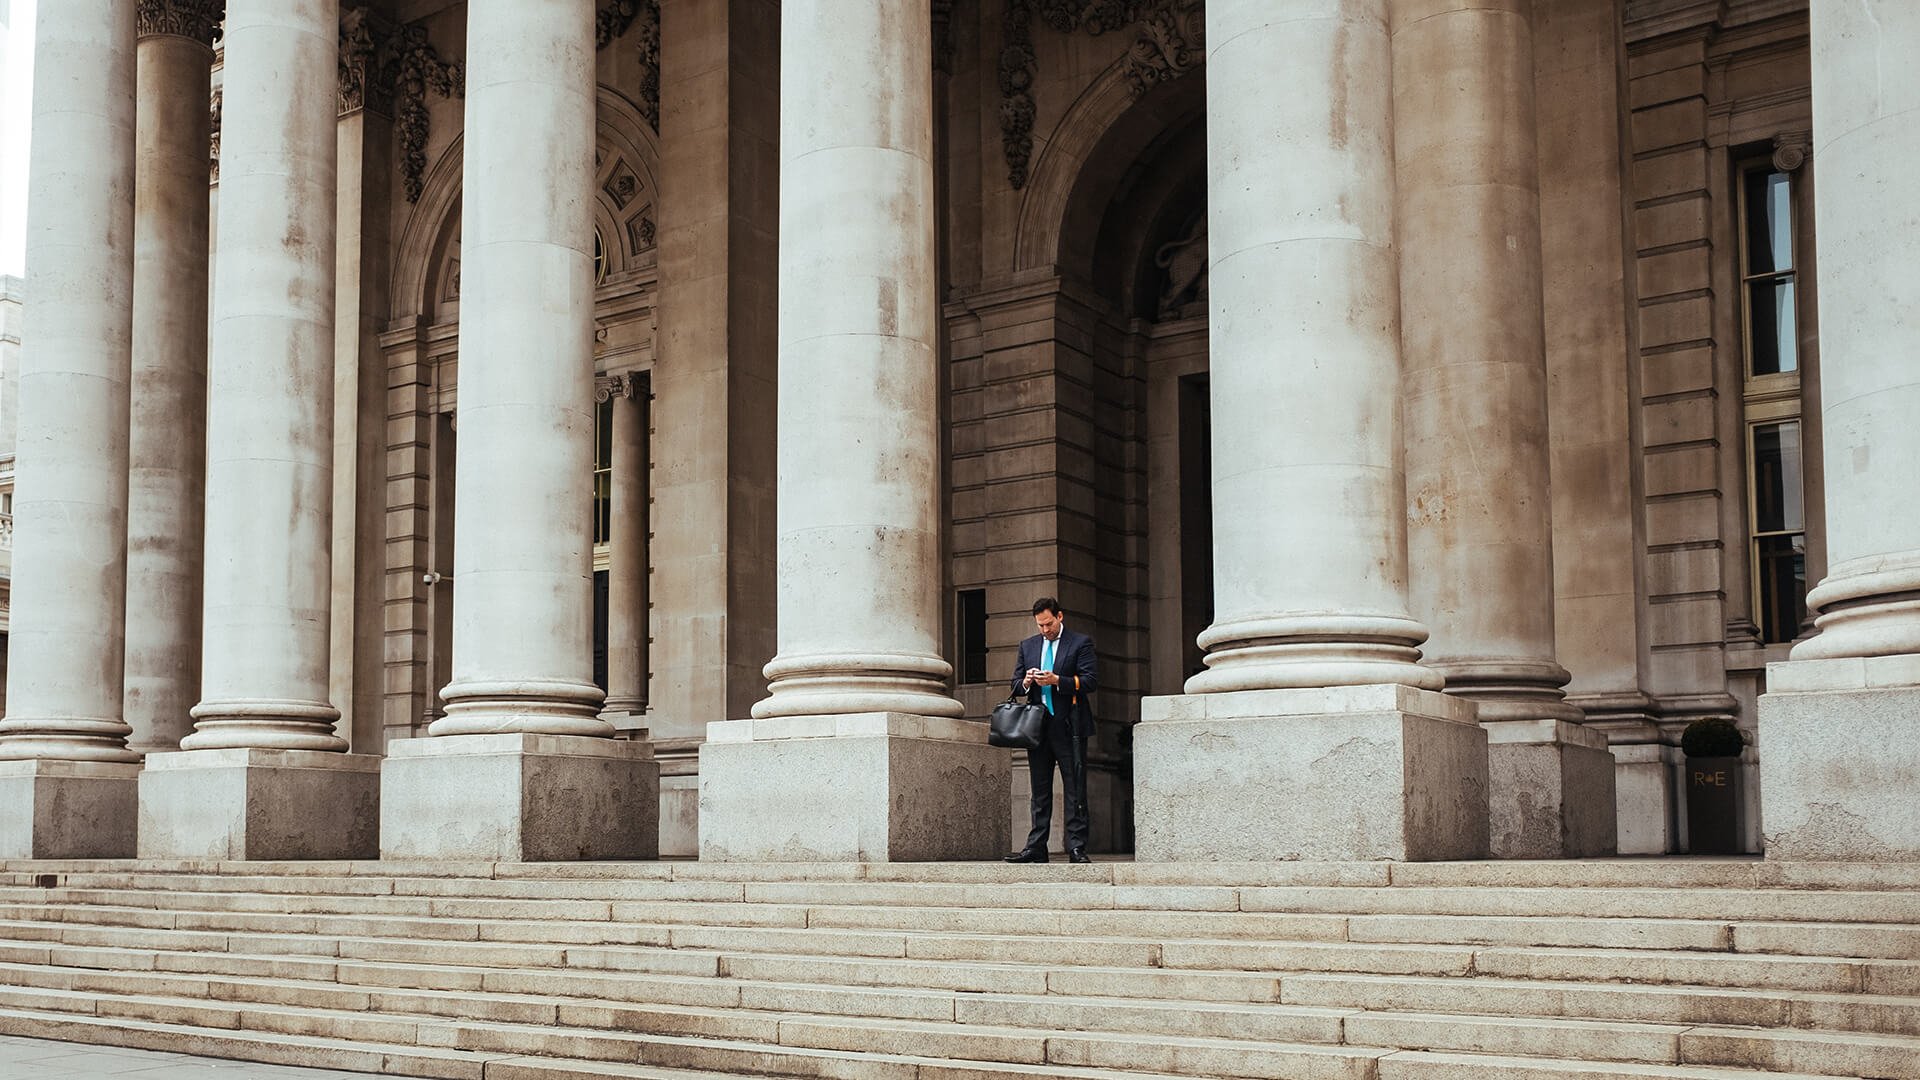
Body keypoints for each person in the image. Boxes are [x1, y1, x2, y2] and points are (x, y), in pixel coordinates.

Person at [1004, 597, 1097, 864]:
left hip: (1070, 726)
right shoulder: (1028, 646)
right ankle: (1036, 847)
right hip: (1037, 726)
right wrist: (1026, 680)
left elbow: (1090, 680)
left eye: (1048, 623)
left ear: (1060, 616)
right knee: (1040, 790)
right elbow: (1016, 683)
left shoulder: (1080, 643)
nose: (1045, 630)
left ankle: (1077, 847)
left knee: (1075, 788)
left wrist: (1058, 680)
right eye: (1040, 625)